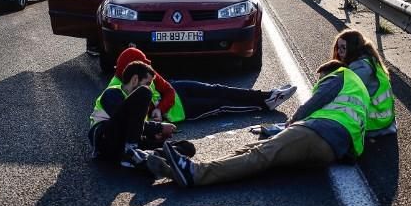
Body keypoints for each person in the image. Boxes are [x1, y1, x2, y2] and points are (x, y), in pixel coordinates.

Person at [148, 59, 369, 187]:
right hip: (333, 150)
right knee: (255, 151)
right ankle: (174, 171)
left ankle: (195, 173)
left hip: (315, 133)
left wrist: (290, 124)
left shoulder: (338, 75)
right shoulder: (359, 92)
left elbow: (311, 105)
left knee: (260, 154)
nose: (319, 82)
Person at [108, 47, 296, 123]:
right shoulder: (117, 92)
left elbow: (168, 90)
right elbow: (137, 120)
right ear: (132, 75)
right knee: (220, 104)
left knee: (218, 89)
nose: (150, 69)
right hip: (182, 112)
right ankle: (264, 104)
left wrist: (160, 106)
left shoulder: (142, 69)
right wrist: (158, 113)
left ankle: (266, 95)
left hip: (177, 90)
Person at [89, 60, 177, 168]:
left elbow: (136, 127)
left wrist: (156, 135)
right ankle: (132, 154)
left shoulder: (136, 104)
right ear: (135, 79)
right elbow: (125, 122)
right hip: (105, 139)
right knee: (145, 92)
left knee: (187, 147)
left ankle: (151, 160)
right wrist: (158, 127)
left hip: (124, 142)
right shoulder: (112, 93)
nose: (150, 87)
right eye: (147, 83)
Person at [332, 29, 397, 136]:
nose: (339, 52)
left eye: (344, 48)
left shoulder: (362, 69)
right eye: (338, 48)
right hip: (383, 119)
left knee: (333, 108)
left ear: (353, 48)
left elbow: (339, 92)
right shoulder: (367, 59)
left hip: (374, 123)